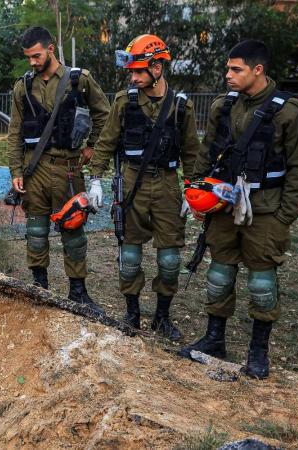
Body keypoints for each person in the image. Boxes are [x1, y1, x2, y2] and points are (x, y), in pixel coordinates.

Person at [178, 40, 298, 379]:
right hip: (222, 206)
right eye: (227, 68)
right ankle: (214, 339)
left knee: (262, 283)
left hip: (266, 210)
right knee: (219, 274)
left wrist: (285, 217)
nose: (228, 75)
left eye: (235, 69)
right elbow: (206, 151)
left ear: (258, 70)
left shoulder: (290, 111)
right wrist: (194, 189)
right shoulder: (223, 107)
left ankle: (258, 351)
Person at [87, 35, 202, 340]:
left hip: (167, 185)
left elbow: (192, 152)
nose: (134, 77)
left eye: (139, 71)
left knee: (169, 260)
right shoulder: (125, 101)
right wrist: (95, 179)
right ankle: (132, 313)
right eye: (132, 72)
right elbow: (106, 141)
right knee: (130, 257)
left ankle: (162, 317)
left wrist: (193, 188)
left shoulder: (181, 106)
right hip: (132, 181)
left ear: (158, 67)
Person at [7, 26, 110, 312]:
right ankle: (40, 288)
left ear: (51, 49)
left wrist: (92, 148)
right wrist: (16, 170)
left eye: (36, 55)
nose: (32, 62)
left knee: (73, 230)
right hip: (35, 170)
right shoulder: (23, 87)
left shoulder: (79, 81)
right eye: (28, 57)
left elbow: (106, 118)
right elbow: (14, 132)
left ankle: (78, 291)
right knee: (36, 231)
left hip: (68, 169)